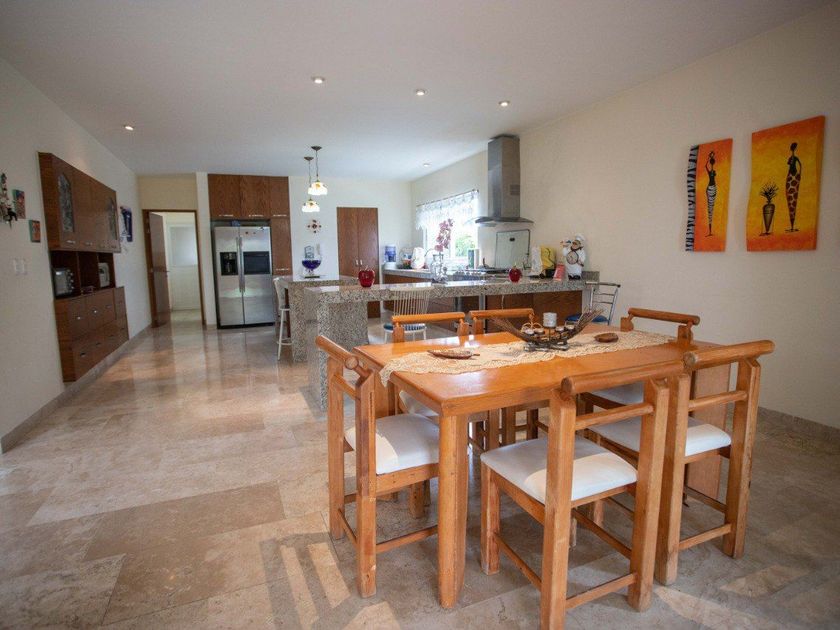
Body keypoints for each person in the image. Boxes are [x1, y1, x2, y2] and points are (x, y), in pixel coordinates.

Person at [785, 142, 802, 232]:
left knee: (793, 198)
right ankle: (791, 225)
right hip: (790, 177)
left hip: (794, 176)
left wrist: (799, 174)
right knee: (790, 198)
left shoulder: (795, 158)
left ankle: (792, 225)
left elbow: (800, 165)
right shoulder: (791, 158)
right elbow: (789, 164)